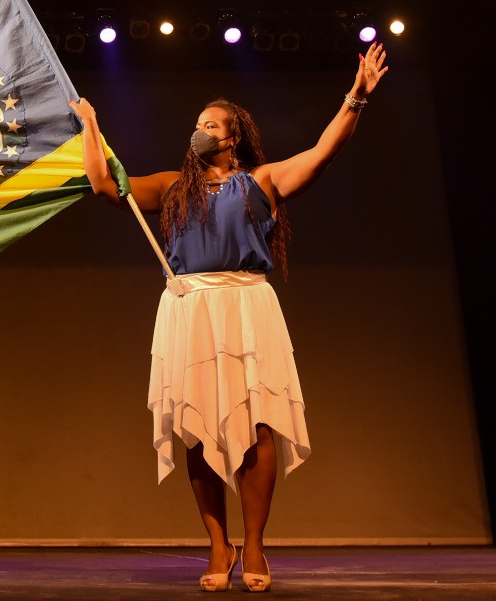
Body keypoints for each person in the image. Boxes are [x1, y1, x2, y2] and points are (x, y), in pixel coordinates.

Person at [68, 42, 388, 593]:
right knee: (199, 427)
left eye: (210, 125)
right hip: (191, 307)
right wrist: (90, 126)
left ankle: (256, 543)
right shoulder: (172, 187)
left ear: (231, 136)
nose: (200, 131)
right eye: (197, 124)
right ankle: (219, 543)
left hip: (245, 305)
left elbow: (320, 154)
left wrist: (354, 99)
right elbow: (103, 185)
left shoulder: (259, 183)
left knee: (258, 426)